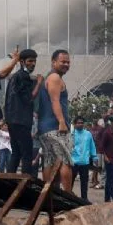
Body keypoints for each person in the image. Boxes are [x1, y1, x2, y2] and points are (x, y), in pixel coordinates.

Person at [37, 50, 73, 191]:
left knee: (49, 161)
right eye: (63, 61)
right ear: (53, 62)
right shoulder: (55, 78)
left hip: (45, 128)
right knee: (65, 161)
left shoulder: (49, 78)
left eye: (68, 62)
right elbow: (55, 101)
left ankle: (48, 195)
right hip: (56, 127)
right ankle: (68, 196)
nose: (66, 64)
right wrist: (62, 122)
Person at [3, 49, 43, 175]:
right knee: (27, 153)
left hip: (11, 120)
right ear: (22, 62)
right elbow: (29, 98)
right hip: (21, 121)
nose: (33, 64)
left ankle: (9, 180)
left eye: (34, 61)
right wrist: (39, 83)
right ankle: (25, 182)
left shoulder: (14, 77)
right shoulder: (24, 76)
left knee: (16, 153)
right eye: (30, 61)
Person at [70, 116, 97, 202]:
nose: (80, 124)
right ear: (75, 124)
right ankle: (68, 197)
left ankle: (84, 199)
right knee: (70, 181)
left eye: (82, 123)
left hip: (85, 161)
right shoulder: (71, 134)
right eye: (78, 123)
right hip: (73, 162)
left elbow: (92, 146)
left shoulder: (88, 134)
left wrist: (94, 156)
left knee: (84, 182)